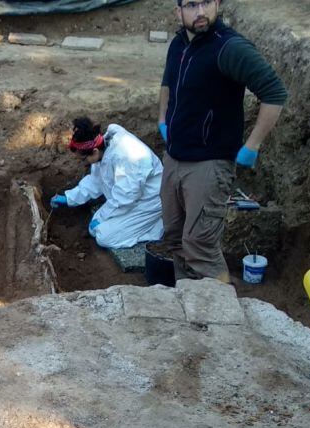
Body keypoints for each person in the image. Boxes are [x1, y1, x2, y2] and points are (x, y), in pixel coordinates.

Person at [158, 0, 287, 282]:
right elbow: (167, 82)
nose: (201, 11)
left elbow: (274, 93)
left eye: (207, 2)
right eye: (192, 4)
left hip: (209, 163)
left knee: (200, 246)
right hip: (174, 157)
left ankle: (220, 319)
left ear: (217, 4)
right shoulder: (179, 43)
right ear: (177, 11)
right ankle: (187, 296)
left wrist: (252, 146)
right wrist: (162, 120)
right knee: (175, 237)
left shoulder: (228, 48)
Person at [49, 117, 165, 249]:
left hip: (150, 201)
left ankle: (158, 226)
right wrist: (69, 198)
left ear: (94, 152)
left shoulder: (128, 157)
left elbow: (125, 197)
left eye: (83, 159)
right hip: (133, 198)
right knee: (95, 229)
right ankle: (140, 225)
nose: (84, 162)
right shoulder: (103, 147)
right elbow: (96, 181)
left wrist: (103, 216)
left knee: (104, 237)